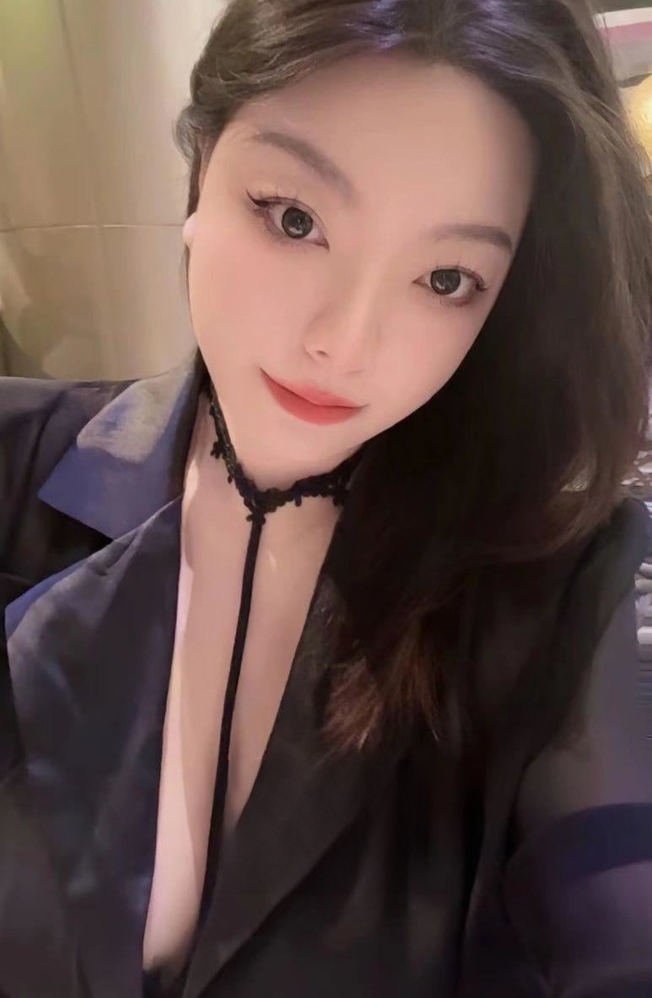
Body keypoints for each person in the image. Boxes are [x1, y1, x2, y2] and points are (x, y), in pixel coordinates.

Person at [1, 0, 651, 995]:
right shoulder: (17, 464)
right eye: (295, 219)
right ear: (202, 166)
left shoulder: (565, 583)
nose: (344, 343)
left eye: (446, 278)